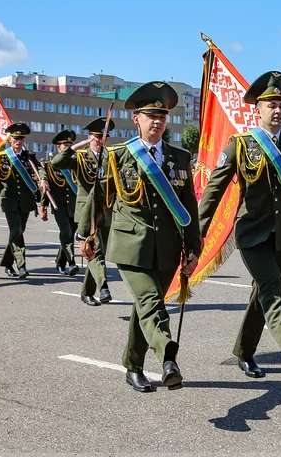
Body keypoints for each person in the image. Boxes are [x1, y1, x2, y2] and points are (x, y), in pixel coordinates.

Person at [198, 71, 281, 383]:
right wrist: (195, 233)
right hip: (252, 233)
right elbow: (214, 191)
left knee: (262, 293)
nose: (277, 110)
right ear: (258, 109)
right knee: (272, 290)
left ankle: (244, 350)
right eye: (270, 104)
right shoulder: (241, 145)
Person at [77, 82, 201, 392]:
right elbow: (98, 198)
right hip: (130, 245)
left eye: (162, 116)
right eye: (150, 116)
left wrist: (194, 248)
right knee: (149, 301)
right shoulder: (119, 156)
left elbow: (189, 207)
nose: (156, 122)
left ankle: (133, 365)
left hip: (168, 247)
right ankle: (167, 356)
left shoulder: (180, 157)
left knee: (147, 307)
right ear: (137, 119)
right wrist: (85, 235)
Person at [55, 118, 115, 305]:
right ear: (90, 137)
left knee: (96, 251)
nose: (100, 140)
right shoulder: (80, 157)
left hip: (105, 210)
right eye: (97, 137)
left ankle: (86, 292)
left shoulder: (111, 157)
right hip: (87, 211)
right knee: (96, 251)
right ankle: (104, 287)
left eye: (104, 137)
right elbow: (57, 162)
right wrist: (76, 147)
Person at [0, 123, 48, 278]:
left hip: (26, 200)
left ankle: (7, 263)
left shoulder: (29, 156)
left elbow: (40, 168)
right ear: (10, 139)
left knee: (18, 231)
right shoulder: (2, 157)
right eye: (15, 138)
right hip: (9, 200)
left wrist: (43, 178)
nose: (18, 141)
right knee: (16, 230)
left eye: (21, 138)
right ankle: (22, 265)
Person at [43, 130, 80, 276]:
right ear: (59, 147)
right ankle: (71, 262)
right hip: (58, 205)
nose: (68, 147)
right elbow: (45, 187)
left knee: (69, 234)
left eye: (70, 145)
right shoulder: (50, 165)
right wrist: (43, 206)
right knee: (66, 232)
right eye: (65, 145)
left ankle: (60, 262)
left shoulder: (77, 163)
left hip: (75, 205)